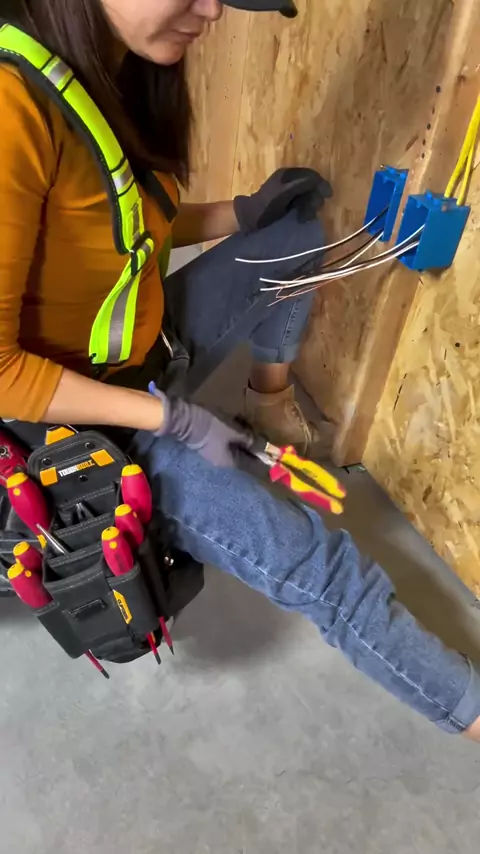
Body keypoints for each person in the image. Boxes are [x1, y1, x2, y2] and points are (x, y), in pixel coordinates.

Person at [1, 0, 479, 740]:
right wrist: (173, 420)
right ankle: (468, 708)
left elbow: (123, 224)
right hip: (80, 426)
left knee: (295, 237)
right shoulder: (12, 110)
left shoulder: (111, 70)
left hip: (145, 355)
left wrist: (243, 212)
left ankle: (269, 401)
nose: (212, 9)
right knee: (315, 561)